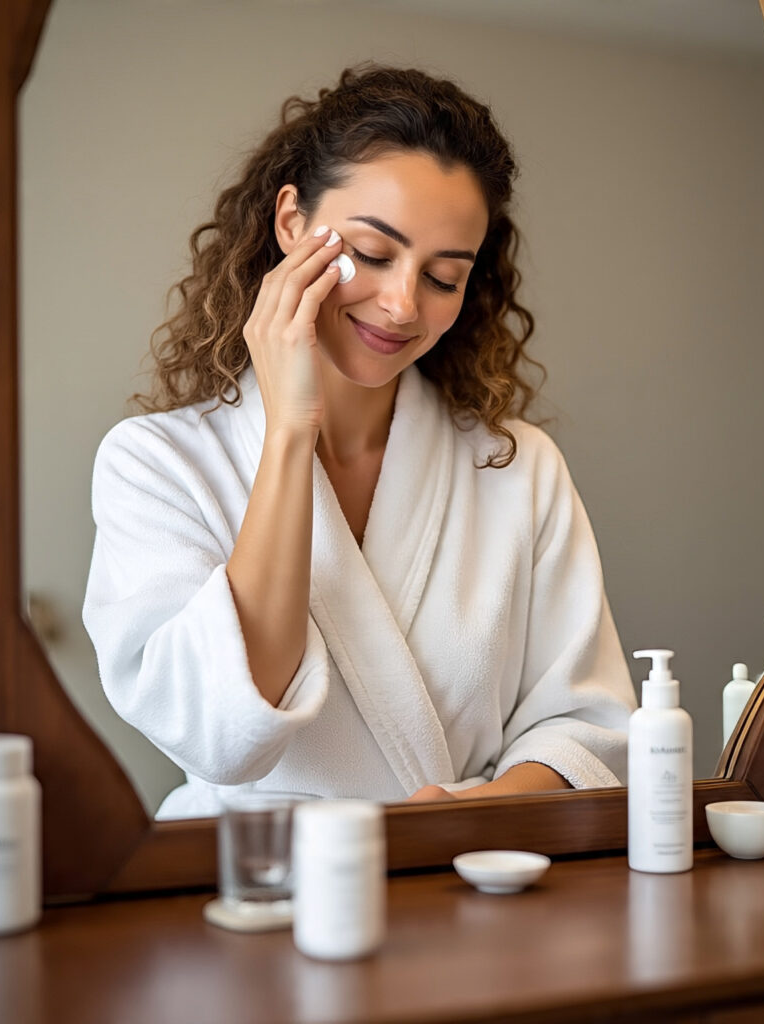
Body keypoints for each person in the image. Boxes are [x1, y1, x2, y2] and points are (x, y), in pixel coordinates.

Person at [82, 64, 635, 819]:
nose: (403, 304)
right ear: (290, 223)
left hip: (464, 866)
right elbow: (220, 734)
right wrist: (289, 433)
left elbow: (585, 724)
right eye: (373, 254)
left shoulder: (516, 464)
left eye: (443, 277)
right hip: (254, 876)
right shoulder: (156, 463)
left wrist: (463, 820)